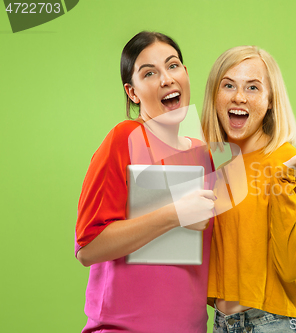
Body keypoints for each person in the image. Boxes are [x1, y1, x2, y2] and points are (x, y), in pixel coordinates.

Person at [75, 31, 216, 333]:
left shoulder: (204, 154)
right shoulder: (124, 139)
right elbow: (88, 247)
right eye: (149, 73)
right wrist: (174, 214)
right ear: (132, 92)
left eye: (173, 65)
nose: (166, 79)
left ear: (186, 73)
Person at [201, 46, 296, 332]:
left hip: (277, 323)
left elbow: (293, 266)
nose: (238, 97)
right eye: (228, 85)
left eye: (253, 87)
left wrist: (284, 183)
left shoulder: (288, 161)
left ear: (270, 101)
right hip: (223, 323)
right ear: (214, 94)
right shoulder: (215, 161)